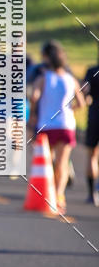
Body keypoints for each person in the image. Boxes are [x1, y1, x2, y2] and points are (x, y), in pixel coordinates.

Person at [29, 41, 85, 211]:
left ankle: (50, 193)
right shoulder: (71, 80)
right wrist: (69, 109)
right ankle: (60, 195)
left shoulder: (43, 78)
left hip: (46, 125)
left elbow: (34, 98)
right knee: (62, 162)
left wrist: (33, 114)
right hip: (66, 124)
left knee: (49, 161)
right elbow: (81, 103)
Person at [83, 51, 99, 207]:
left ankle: (91, 194)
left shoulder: (92, 71)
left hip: (95, 115)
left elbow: (85, 93)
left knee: (92, 155)